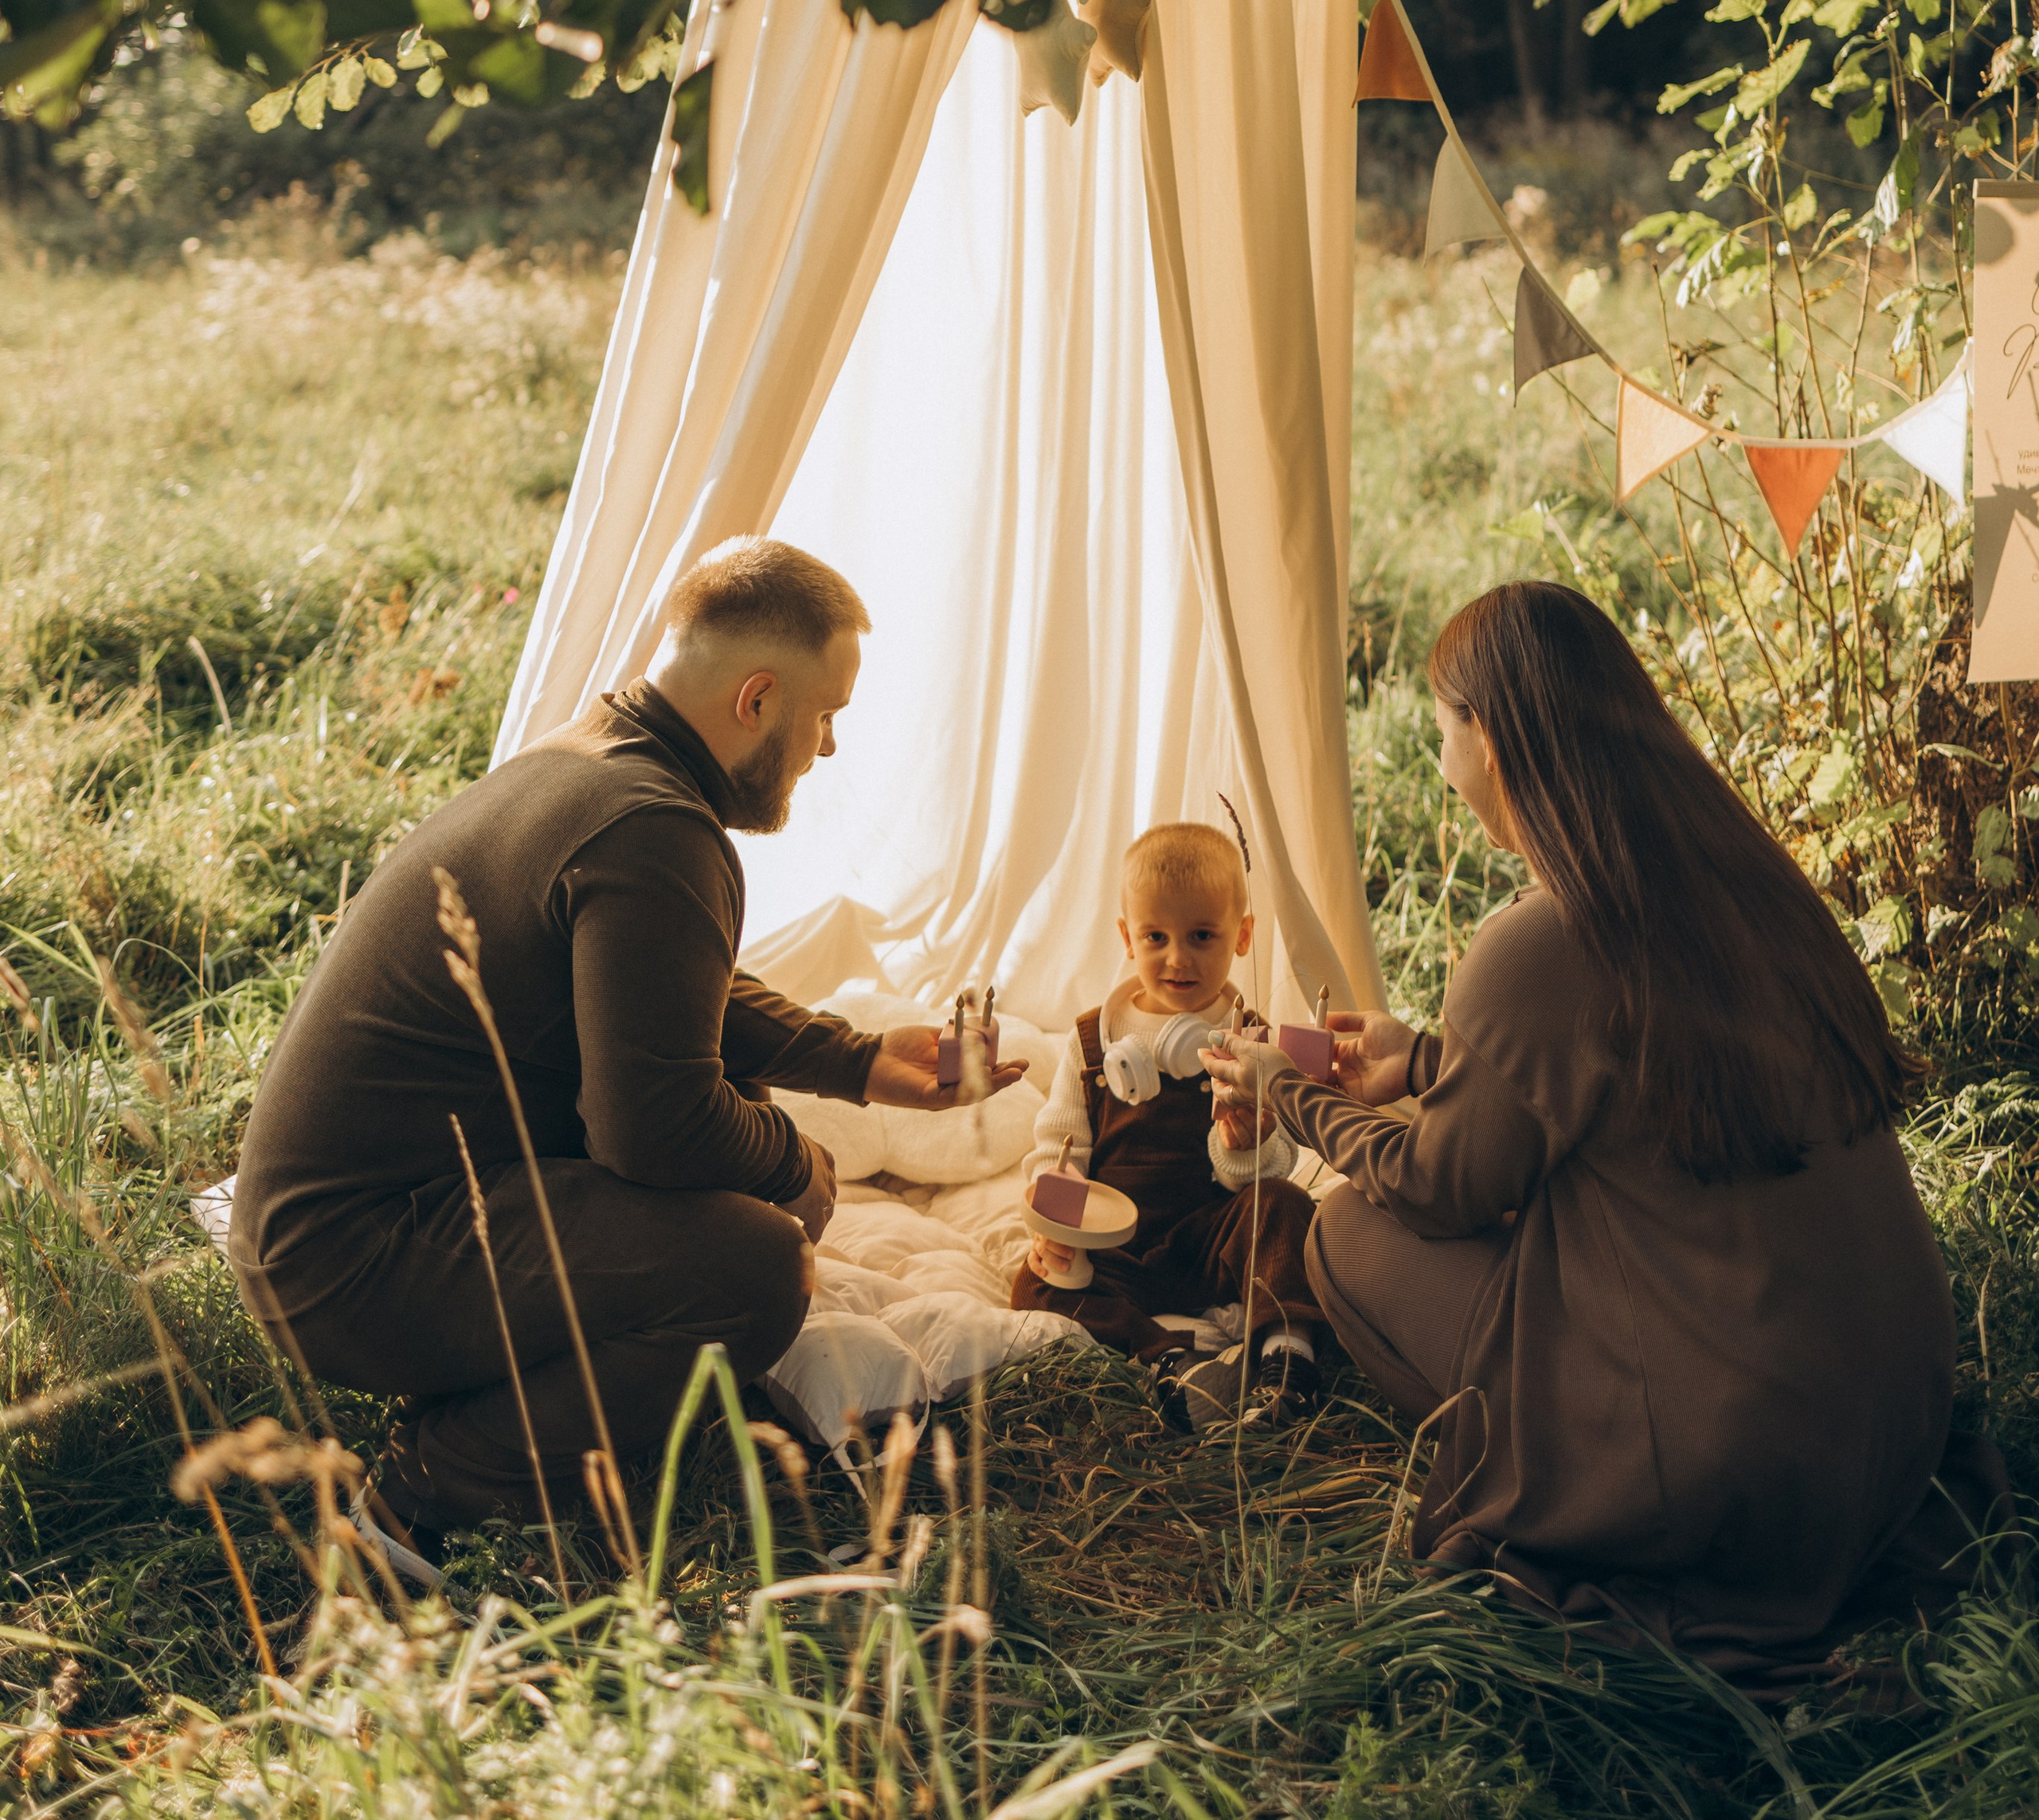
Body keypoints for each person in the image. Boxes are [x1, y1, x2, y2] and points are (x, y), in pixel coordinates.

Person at [1203, 579, 2010, 1681]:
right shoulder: (1740, 883)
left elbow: (1445, 1188)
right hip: (1889, 1424)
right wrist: (1426, 1062)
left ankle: (1579, 1479)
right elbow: (1644, 1091)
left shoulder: (1537, 943)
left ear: (1489, 738)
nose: (1444, 762)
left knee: (1344, 1234)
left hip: (1737, 1474)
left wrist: (1284, 1086)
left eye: (1444, 731)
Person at [229, 536, 1021, 1583]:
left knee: (739, 1142)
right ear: (756, 698)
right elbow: (653, 1129)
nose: (826, 748)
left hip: (328, 1231)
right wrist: (799, 1171)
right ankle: (423, 1489)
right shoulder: (656, 830)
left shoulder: (593, 758)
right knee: (754, 1267)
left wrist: (865, 1063)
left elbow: (660, 984)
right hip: (358, 1259)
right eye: (824, 716)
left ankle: (515, 1386)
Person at [1009, 825, 1323, 1431]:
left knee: (1285, 1207)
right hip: (1115, 1251)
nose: (1178, 958)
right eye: (1156, 937)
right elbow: (1056, 1149)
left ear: (1243, 936)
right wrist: (1058, 1221)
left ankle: (1289, 1363)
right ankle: (1169, 1359)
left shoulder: (1252, 1041)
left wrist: (1247, 1144)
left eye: (1203, 936)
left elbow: (1275, 1162)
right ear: (1128, 937)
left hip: (1208, 1237)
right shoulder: (1091, 1042)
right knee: (1034, 1282)